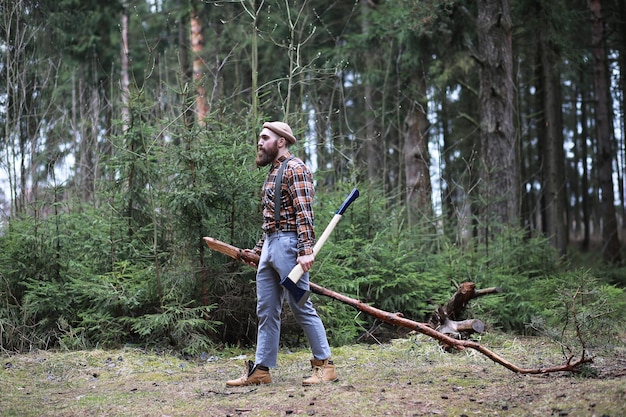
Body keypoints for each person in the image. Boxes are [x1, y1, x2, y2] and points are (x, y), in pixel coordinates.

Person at [226, 121, 337, 387]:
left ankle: (325, 365)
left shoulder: (296, 168)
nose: (259, 143)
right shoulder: (273, 173)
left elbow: (304, 213)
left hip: (290, 246)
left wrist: (305, 250)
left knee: (300, 305)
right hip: (271, 247)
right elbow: (272, 219)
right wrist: (257, 251)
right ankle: (261, 371)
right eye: (259, 138)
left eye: (265, 138)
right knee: (266, 310)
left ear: (281, 142)